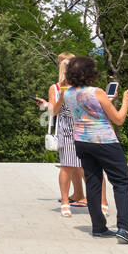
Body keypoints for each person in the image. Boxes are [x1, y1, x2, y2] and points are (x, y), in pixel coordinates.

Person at [61, 56, 128, 243]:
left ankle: (99, 227)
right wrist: (126, 100)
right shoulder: (98, 92)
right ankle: (125, 229)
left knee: (93, 182)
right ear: (91, 73)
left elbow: (87, 109)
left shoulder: (67, 93)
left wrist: (107, 101)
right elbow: (118, 119)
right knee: (122, 182)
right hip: (104, 141)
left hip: (81, 140)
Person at [38, 53, 104, 217]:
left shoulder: (82, 87)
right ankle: (74, 200)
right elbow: (54, 111)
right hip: (72, 129)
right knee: (72, 166)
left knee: (83, 167)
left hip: (81, 128)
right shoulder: (58, 88)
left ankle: (98, 201)